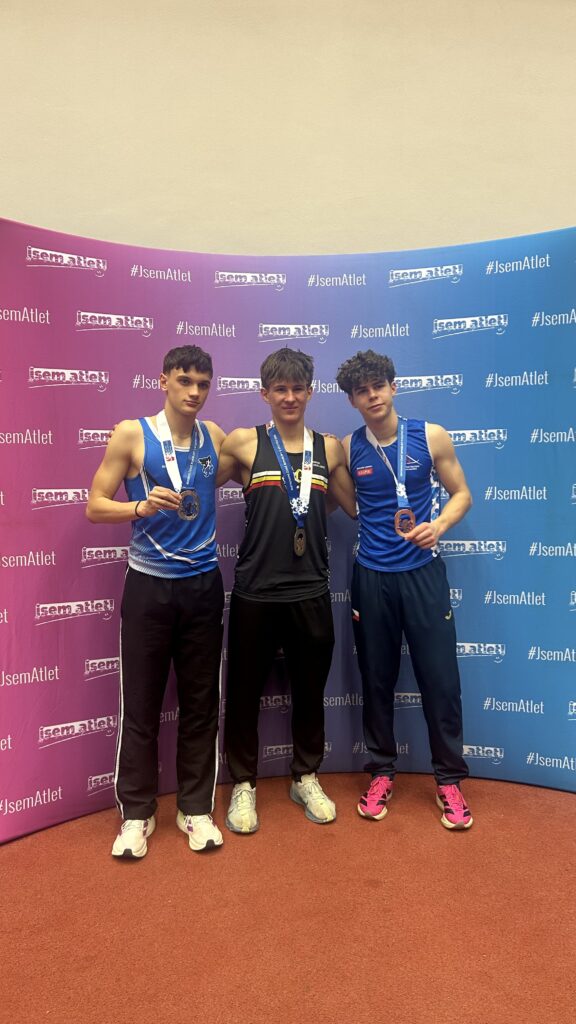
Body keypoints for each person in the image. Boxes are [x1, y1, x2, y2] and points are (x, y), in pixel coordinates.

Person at [86, 345, 227, 858]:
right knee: (141, 704)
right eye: (185, 381)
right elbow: (95, 505)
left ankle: (195, 809)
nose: (194, 392)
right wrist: (139, 507)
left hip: (203, 587)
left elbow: (255, 460)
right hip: (148, 586)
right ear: (163, 380)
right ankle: (137, 815)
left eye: (203, 384)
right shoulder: (131, 434)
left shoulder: (214, 437)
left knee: (201, 704)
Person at [335, 349, 474, 830]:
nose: (372, 396)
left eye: (378, 386)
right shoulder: (348, 448)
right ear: (352, 400)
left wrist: (440, 525)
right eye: (361, 391)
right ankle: (381, 772)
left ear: (393, 387)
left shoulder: (431, 435)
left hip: (422, 573)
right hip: (372, 577)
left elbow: (462, 494)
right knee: (376, 679)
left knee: (440, 679)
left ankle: (449, 780)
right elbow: (349, 505)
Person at [219, 347, 355, 834]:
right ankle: (243, 783)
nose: (290, 397)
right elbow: (192, 478)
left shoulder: (330, 449)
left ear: (310, 392)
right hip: (255, 591)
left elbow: (351, 506)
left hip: (310, 590)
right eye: (281, 389)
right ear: (265, 394)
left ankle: (305, 776)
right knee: (243, 694)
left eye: (298, 388)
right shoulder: (244, 443)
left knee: (310, 692)